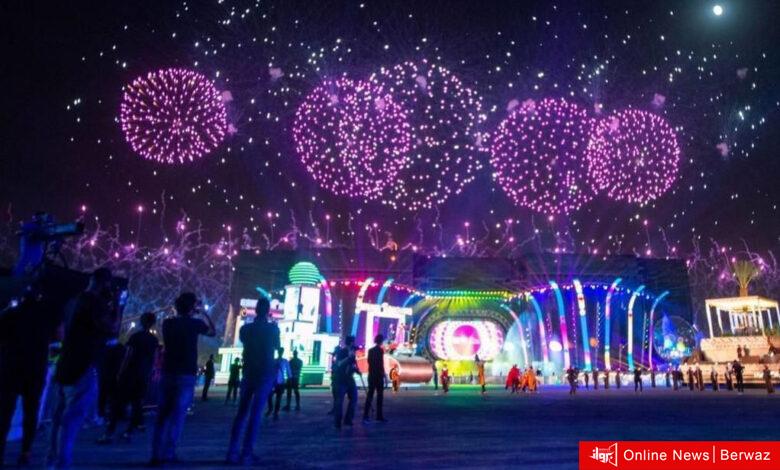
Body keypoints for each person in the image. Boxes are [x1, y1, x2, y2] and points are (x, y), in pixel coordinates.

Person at [48, 268, 120, 469]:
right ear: (105, 284)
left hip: (65, 363)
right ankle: (63, 463)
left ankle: (51, 461)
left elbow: (60, 331)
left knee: (57, 418)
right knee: (71, 419)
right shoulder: (95, 303)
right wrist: (116, 302)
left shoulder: (72, 301)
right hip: (83, 365)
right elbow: (112, 327)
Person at [0, 279, 62, 467]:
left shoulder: (11, 314)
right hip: (35, 368)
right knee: (31, 411)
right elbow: (59, 336)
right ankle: (25, 452)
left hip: (11, 367)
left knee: (5, 412)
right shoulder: (48, 315)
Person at [150, 292, 216, 466]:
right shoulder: (195, 324)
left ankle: (156, 454)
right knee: (178, 416)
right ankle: (169, 454)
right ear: (192, 307)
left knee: (162, 416)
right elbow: (213, 331)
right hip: (186, 374)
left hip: (168, 372)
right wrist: (204, 313)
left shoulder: (168, 323)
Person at [226, 297, 280, 465]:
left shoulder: (245, 329)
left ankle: (232, 452)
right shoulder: (273, 329)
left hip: (248, 372)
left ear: (255, 310)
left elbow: (244, 342)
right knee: (255, 415)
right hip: (264, 372)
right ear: (268, 311)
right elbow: (277, 347)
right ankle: (246, 453)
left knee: (242, 413)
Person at [97, 312, 159, 444]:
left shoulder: (135, 337)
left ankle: (110, 432)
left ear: (141, 322)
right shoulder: (154, 340)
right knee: (137, 404)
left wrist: (120, 371)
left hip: (130, 372)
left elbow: (128, 354)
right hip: (143, 374)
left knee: (118, 403)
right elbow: (154, 359)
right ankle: (129, 432)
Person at [332, 336, 358, 429]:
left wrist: (356, 370)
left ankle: (348, 419)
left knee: (354, 398)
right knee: (339, 401)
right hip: (341, 379)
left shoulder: (352, 352)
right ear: (350, 343)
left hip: (349, 379)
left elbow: (353, 365)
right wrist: (348, 358)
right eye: (353, 342)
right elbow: (339, 364)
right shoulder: (342, 352)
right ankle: (338, 422)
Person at [363, 334, 387, 423]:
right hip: (378, 376)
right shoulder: (380, 351)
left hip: (372, 375)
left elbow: (369, 362)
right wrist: (384, 375)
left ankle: (366, 415)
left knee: (370, 395)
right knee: (380, 396)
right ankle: (379, 416)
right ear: (381, 341)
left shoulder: (370, 351)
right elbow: (381, 364)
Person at [265, 348, 290, 420]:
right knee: (272, 396)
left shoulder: (282, 361)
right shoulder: (279, 361)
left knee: (277, 398)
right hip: (276, 381)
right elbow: (288, 371)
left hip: (278, 382)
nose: (280, 352)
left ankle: (274, 411)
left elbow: (288, 371)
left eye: (281, 351)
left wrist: (289, 379)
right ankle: (272, 409)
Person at [327, 344, 342, 416]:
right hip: (335, 380)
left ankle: (337, 410)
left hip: (338, 381)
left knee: (337, 397)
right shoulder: (335, 360)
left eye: (336, 350)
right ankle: (335, 409)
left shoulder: (339, 360)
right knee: (336, 397)